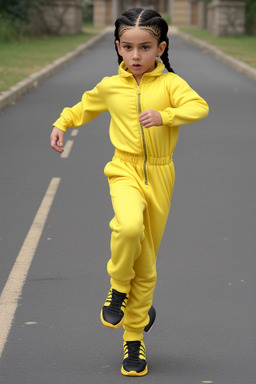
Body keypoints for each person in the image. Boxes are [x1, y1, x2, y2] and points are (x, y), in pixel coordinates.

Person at [50, 8, 209, 377]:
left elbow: (199, 106)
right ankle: (118, 287)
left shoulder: (171, 85)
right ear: (118, 48)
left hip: (160, 173)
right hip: (123, 169)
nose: (136, 56)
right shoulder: (111, 85)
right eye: (128, 47)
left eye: (145, 47)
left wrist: (166, 116)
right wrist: (61, 123)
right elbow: (83, 107)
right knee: (128, 229)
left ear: (160, 47)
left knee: (147, 263)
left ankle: (133, 338)